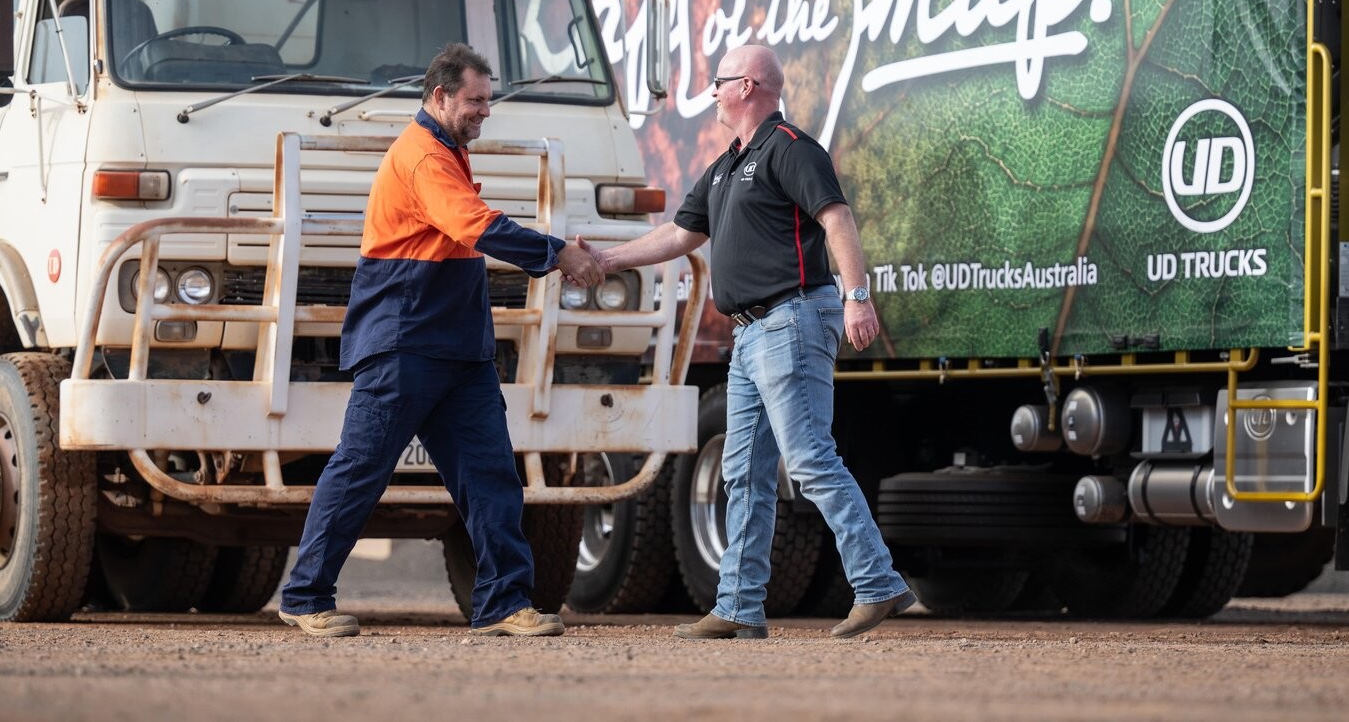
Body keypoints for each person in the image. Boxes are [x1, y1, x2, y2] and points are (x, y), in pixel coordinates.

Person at [277, 42, 604, 638]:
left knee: (492, 476)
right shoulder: (424, 157)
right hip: (405, 343)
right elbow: (474, 225)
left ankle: (505, 603)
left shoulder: (445, 151)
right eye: (475, 101)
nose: (485, 111)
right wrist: (557, 254)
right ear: (440, 96)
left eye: (489, 101)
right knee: (360, 470)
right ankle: (304, 596)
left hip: (455, 348)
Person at [586, 44, 913, 639]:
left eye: (719, 81)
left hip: (790, 321)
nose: (710, 91)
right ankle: (738, 604)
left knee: (810, 460)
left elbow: (836, 218)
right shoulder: (724, 166)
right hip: (750, 335)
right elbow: (678, 236)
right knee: (744, 473)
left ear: (750, 86)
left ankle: (878, 584)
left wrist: (857, 296)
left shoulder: (789, 148)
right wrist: (607, 259)